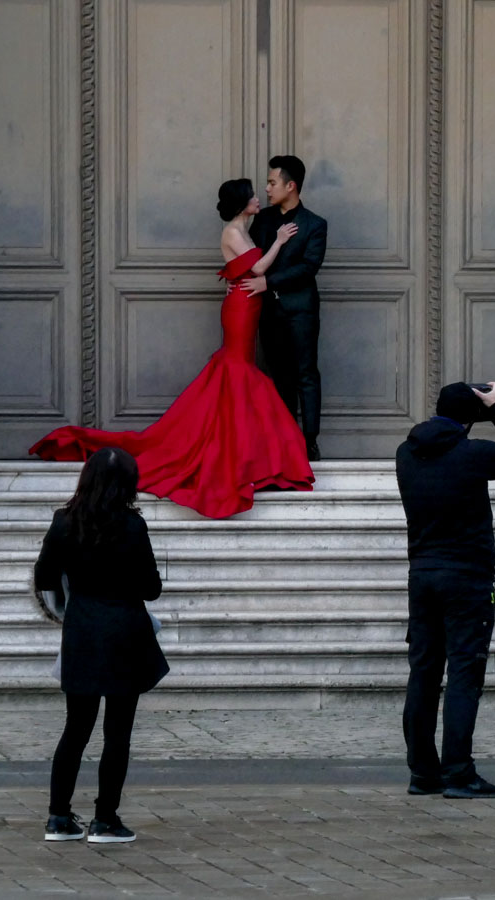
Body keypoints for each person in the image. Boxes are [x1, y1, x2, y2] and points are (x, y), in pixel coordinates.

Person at [28, 179, 314, 519]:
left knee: (239, 371)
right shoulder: (232, 232)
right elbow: (258, 268)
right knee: (238, 369)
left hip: (247, 304)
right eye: (252, 194)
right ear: (242, 203)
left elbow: (244, 268)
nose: (258, 197)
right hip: (240, 307)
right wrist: (279, 241)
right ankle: (233, 451)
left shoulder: (246, 229)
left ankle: (244, 451)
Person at [395, 381, 495, 799]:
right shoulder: (472, 453)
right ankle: (458, 772)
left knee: (423, 673)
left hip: (422, 575)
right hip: (467, 578)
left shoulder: (406, 453)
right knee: (464, 674)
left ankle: (423, 772)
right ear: (472, 418)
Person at [35, 447, 169, 844]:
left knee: (75, 729)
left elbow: (44, 576)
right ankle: (105, 819)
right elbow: (151, 588)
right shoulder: (132, 525)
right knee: (117, 732)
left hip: (82, 630)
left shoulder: (64, 521)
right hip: (125, 631)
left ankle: (59, 817)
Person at [246, 155, 327, 461]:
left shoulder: (315, 225)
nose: (267, 188)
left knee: (306, 374)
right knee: (279, 377)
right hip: (268, 312)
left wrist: (268, 282)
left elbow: (308, 268)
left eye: (272, 182)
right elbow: (252, 256)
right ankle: (286, 441)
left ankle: (310, 443)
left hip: (301, 311)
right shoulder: (263, 219)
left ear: (290, 186)